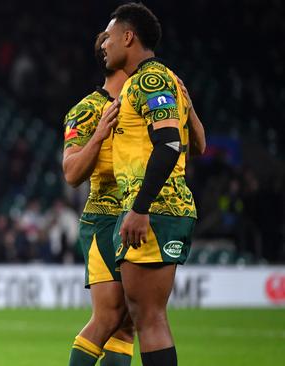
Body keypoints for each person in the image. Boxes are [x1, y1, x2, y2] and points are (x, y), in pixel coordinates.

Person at [101, 3, 204, 365]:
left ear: (129, 37)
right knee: (147, 316)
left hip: (154, 210)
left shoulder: (150, 79)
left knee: (149, 318)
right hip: (163, 208)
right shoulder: (164, 81)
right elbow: (198, 144)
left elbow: (169, 144)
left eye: (110, 36)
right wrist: (188, 109)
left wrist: (140, 208)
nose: (104, 44)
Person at [63, 32, 134, 366]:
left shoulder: (138, 104)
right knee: (108, 317)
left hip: (137, 216)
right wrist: (99, 137)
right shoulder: (87, 110)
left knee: (127, 326)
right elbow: (71, 172)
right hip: (104, 220)